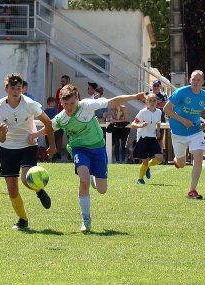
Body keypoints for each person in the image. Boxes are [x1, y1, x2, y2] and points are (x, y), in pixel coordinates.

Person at [30, 84, 145, 232]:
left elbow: (113, 101)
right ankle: (86, 219)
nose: (69, 107)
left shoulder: (87, 105)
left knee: (102, 190)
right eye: (65, 104)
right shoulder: (61, 118)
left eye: (72, 103)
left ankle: (93, 177)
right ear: (60, 102)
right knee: (83, 181)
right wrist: (34, 135)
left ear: (77, 99)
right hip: (79, 149)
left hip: (97, 148)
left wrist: (135, 97)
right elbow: (49, 127)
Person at [0, 73, 56, 230]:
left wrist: (53, 146)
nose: (16, 91)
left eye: (19, 88)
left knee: (27, 179)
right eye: (13, 88)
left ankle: (39, 190)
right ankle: (23, 219)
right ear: (6, 89)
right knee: (12, 190)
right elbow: (0, 139)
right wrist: (2, 132)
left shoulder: (29, 104)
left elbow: (48, 122)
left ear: (23, 89)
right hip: (7, 148)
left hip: (28, 145)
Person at [163, 70, 205, 199]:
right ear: (190, 80)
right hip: (178, 132)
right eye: (193, 79)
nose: (195, 82)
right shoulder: (181, 92)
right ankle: (177, 160)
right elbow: (166, 109)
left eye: (198, 80)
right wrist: (182, 120)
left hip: (195, 131)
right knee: (181, 164)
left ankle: (192, 190)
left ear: (203, 82)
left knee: (198, 159)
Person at [131, 93, 163, 184]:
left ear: (157, 102)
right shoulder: (142, 112)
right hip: (142, 138)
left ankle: (147, 167)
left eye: (154, 100)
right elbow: (133, 124)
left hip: (152, 138)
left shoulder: (159, 112)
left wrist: (158, 130)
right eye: (150, 100)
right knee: (144, 162)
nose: (152, 102)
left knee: (159, 158)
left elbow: (158, 122)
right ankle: (140, 179)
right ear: (146, 102)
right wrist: (140, 125)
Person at [152, 79, 168, 151]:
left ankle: (161, 156)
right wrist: (158, 102)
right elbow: (146, 104)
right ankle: (151, 155)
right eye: (154, 85)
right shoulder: (149, 94)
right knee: (151, 138)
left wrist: (154, 104)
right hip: (151, 120)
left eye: (157, 85)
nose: (156, 87)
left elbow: (164, 105)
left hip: (161, 120)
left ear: (160, 86)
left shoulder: (163, 95)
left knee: (160, 139)